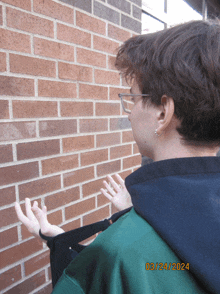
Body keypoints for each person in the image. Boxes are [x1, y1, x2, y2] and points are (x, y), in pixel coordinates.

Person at [15, 19, 220, 293]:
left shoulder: (120, 251)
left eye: (134, 99)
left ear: (163, 113)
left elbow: (138, 266)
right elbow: (174, 267)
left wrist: (123, 231)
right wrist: (129, 216)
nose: (130, 112)